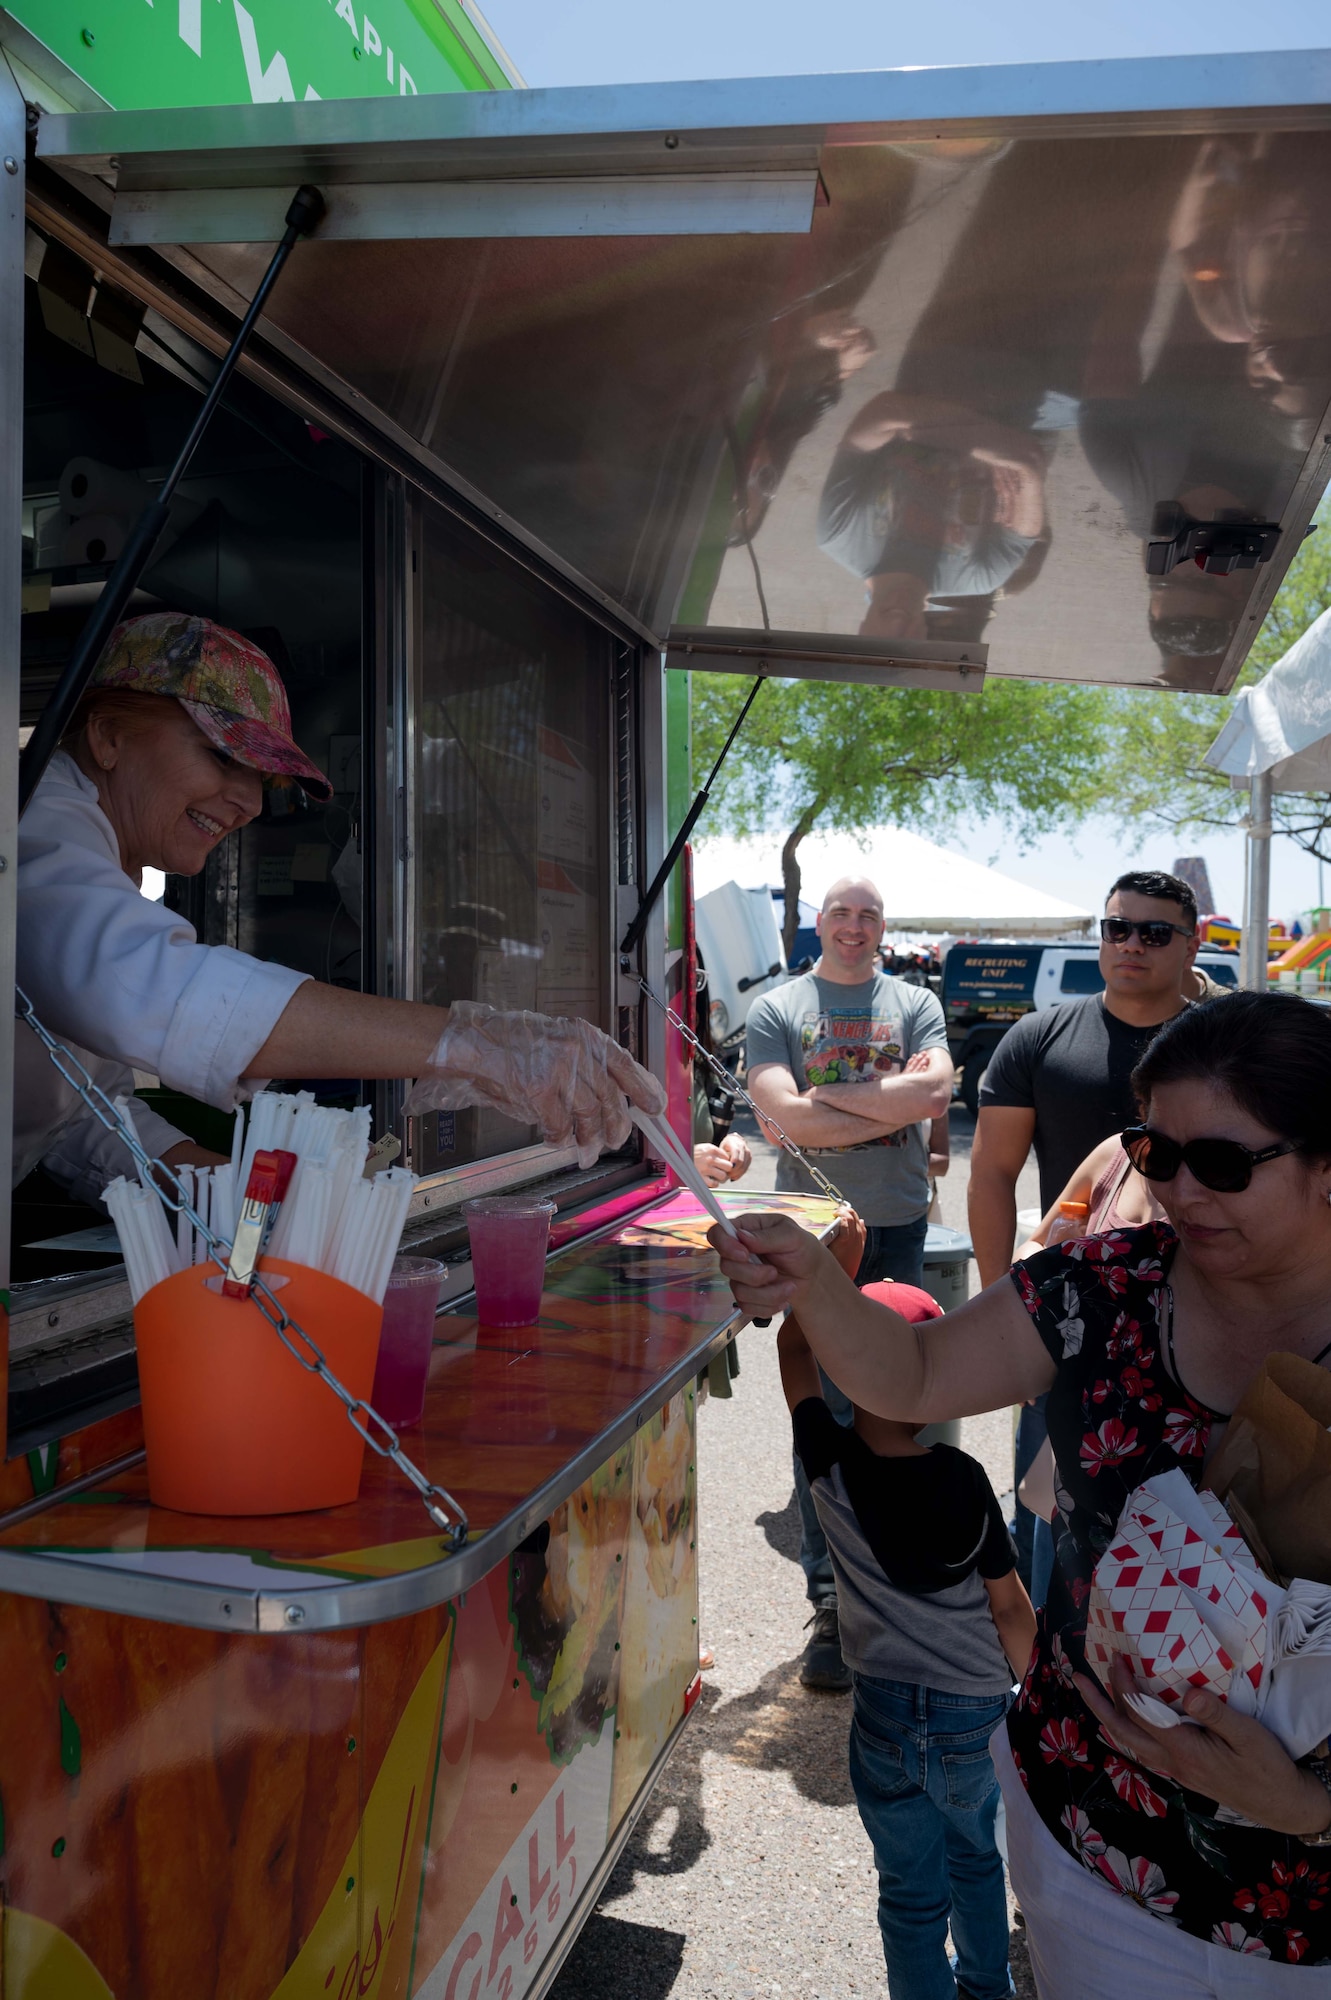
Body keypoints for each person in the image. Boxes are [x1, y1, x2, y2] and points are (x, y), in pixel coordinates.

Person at [714, 989, 1331, 1994]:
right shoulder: (1099, 1285)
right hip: (1095, 1834)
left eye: (1220, 1162)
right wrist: (812, 1285)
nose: (1176, 1190)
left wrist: (1308, 1802)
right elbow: (908, 1377)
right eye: (1151, 1151)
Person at [16, 613, 663, 1204]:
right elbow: (139, 986)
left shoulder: (104, 855)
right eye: (221, 756)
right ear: (106, 737)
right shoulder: (27, 826)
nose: (249, 802)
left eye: (263, 780)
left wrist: (256, 1195)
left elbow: (83, 1112)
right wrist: (474, 1044)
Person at [780, 1241, 1035, 2000]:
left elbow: (794, 1349)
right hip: (969, 1715)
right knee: (975, 1863)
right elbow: (1009, 1607)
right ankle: (987, 1988)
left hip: (883, 1715)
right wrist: (1034, 1697)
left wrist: (832, 1270)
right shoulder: (961, 1479)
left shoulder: (824, 1462)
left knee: (907, 1892)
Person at [745, 875, 953, 1689]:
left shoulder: (913, 1003)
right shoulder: (776, 1008)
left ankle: (905, 1584)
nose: (855, 926)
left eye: (869, 914)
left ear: (882, 926)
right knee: (825, 1406)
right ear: (818, 923)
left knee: (897, 1401)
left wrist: (824, 1094)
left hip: (897, 1224)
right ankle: (831, 1599)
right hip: (809, 1229)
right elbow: (780, 1115)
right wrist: (883, 1102)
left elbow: (934, 1093)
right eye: (841, 913)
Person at [969, 869, 1203, 1593]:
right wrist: (1000, 1308)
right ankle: (1034, 1671)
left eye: (1154, 932)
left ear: (1191, 943)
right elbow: (989, 1178)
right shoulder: (1038, 1040)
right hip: (1068, 1323)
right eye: (1115, 928)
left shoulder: (1226, 1048)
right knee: (1043, 1513)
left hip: (1204, 1318)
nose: (1131, 944)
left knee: (1189, 1520)